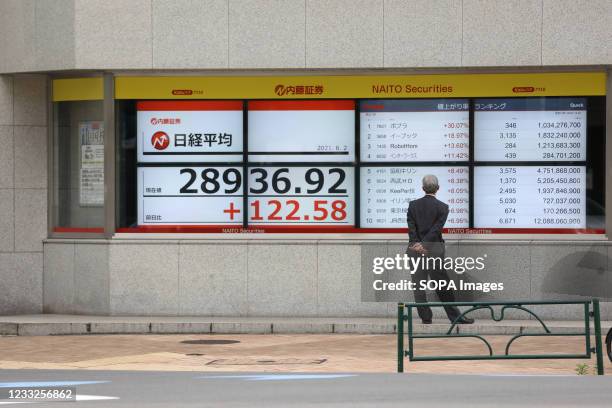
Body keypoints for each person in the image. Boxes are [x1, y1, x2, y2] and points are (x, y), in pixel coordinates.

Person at [406, 174, 474, 325]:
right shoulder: (443, 207)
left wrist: (418, 244)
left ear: (423, 188)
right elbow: (436, 230)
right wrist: (425, 244)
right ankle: (455, 317)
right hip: (434, 251)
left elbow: (411, 229)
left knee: (418, 286)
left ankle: (426, 317)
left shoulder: (412, 205)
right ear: (438, 188)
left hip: (414, 252)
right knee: (443, 285)